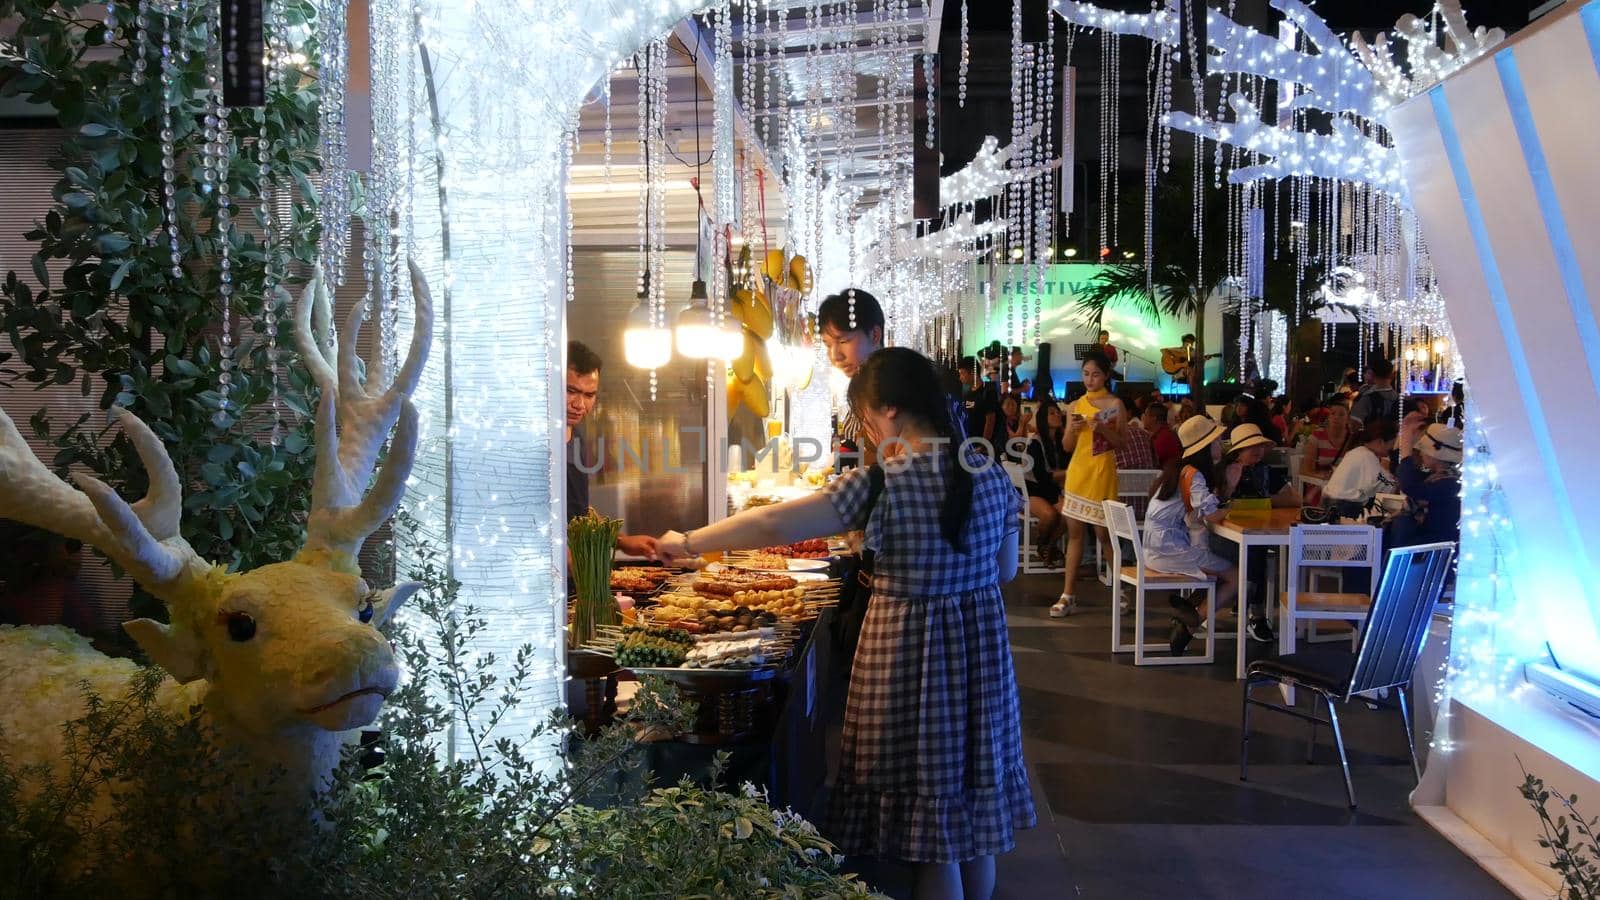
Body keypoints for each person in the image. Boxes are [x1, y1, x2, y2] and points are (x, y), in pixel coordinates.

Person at [655, 348, 1035, 898]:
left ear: (889, 411)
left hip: (908, 660)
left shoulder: (882, 483)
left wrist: (688, 542)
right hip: (980, 661)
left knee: (931, 843)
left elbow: (775, 523)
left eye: (864, 419)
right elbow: (1004, 571)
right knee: (969, 828)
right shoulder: (993, 476)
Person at [1142, 417, 1241, 655]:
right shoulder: (1193, 475)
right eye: (1217, 440)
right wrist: (1233, 504)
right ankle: (1193, 621)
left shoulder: (1177, 470)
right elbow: (1213, 517)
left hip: (1154, 549)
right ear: (1206, 446)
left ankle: (1189, 610)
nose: (1221, 444)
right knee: (1237, 576)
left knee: (1216, 570)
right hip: (1169, 551)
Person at [564, 341, 658, 557]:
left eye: (589, 395)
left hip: (575, 575)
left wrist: (621, 541)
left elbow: (579, 514)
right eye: (571, 391)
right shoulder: (533, 443)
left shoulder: (577, 437)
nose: (579, 405)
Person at [1052, 351, 1126, 618]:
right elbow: (1067, 447)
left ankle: (1119, 590)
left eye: (1095, 374)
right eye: (1086, 374)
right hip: (1079, 473)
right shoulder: (1074, 405)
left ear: (1105, 375)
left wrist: (1100, 427)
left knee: (1105, 535)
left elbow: (1121, 443)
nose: (1090, 379)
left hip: (1103, 473)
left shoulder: (1115, 404)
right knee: (1074, 534)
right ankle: (1068, 594)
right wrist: (1072, 428)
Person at [1219, 423, 1299, 643]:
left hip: (1257, 531)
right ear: (1238, 451)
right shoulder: (1223, 470)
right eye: (1251, 446)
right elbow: (1215, 503)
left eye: (1260, 446)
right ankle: (1254, 612)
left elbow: (1295, 499)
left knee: (1257, 548)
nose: (1257, 450)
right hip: (1223, 534)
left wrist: (1264, 502)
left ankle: (1255, 611)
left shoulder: (1266, 470)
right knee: (1255, 552)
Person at [819, 289, 886, 467]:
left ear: (875, 335)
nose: (835, 356)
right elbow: (854, 445)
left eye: (843, 341)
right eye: (827, 345)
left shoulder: (894, 386)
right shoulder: (861, 388)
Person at [1392, 423, 1463, 548]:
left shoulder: (1450, 483)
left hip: (1430, 550)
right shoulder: (1440, 477)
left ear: (1435, 455)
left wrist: (1406, 449)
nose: (1420, 453)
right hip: (1428, 547)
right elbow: (1408, 476)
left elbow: (1410, 486)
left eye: (1423, 450)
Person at [1024, 399, 1072, 567]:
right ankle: (1042, 544)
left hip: (1053, 490)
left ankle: (1049, 546)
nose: (1057, 415)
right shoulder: (1035, 443)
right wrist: (1066, 474)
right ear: (1043, 418)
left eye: (1058, 412)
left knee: (1071, 515)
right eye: (1052, 413)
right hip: (1034, 490)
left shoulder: (1062, 442)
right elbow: (1041, 477)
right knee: (1049, 515)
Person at [1324, 418, 1401, 519]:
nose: (1392, 449)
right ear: (1381, 442)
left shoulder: (1358, 452)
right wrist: (1397, 483)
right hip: (1345, 508)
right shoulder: (1367, 457)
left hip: (1333, 504)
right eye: (1391, 445)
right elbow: (1380, 485)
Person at [1302, 399, 1354, 506]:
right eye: (1333, 414)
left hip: (1346, 487)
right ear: (1328, 417)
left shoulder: (1353, 440)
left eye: (1341, 414)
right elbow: (1306, 470)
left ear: (1348, 418)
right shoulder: (1316, 438)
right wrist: (1323, 478)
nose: (1336, 417)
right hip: (1320, 485)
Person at [959, 356, 1003, 453]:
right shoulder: (967, 393)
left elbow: (990, 420)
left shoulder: (988, 392)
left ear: (973, 373)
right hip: (970, 445)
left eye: (962, 373)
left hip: (983, 448)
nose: (960, 377)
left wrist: (983, 445)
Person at [1350, 357, 1399, 428]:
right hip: (1397, 438)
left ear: (1373, 375)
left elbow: (1354, 425)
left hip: (1372, 438)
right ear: (1392, 375)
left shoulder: (1366, 397)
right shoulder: (1399, 398)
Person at [1114, 398, 1159, 471]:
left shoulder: (1109, 438)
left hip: (1121, 481)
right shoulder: (1145, 434)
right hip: (1148, 480)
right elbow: (1156, 463)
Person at [1143, 402, 1182, 466]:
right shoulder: (1166, 434)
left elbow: (1151, 462)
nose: (1143, 418)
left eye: (1145, 415)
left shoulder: (1163, 438)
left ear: (1154, 418)